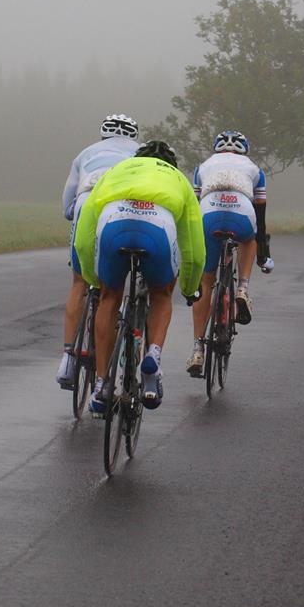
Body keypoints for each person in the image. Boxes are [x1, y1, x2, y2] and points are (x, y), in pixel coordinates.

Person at [73, 140, 205, 413]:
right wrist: (190, 289)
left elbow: (83, 235)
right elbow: (193, 248)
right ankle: (153, 358)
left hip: (115, 220)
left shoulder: (117, 170)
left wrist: (93, 279)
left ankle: (101, 385)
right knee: (160, 294)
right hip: (158, 225)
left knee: (110, 297)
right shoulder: (178, 180)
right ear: (172, 165)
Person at [55, 113, 141, 390]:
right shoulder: (140, 153)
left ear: (103, 135)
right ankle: (124, 346)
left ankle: (68, 357)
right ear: (133, 136)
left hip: (87, 203)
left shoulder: (86, 153)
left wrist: (73, 215)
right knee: (112, 288)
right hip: (121, 205)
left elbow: (68, 202)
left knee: (79, 282)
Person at [186, 130, 274, 375]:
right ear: (244, 149)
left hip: (208, 214)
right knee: (249, 237)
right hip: (241, 211)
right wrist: (263, 256)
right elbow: (261, 217)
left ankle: (197, 349)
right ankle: (243, 287)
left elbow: (193, 210)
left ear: (217, 149)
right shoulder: (255, 170)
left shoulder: (203, 166)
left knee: (206, 282)